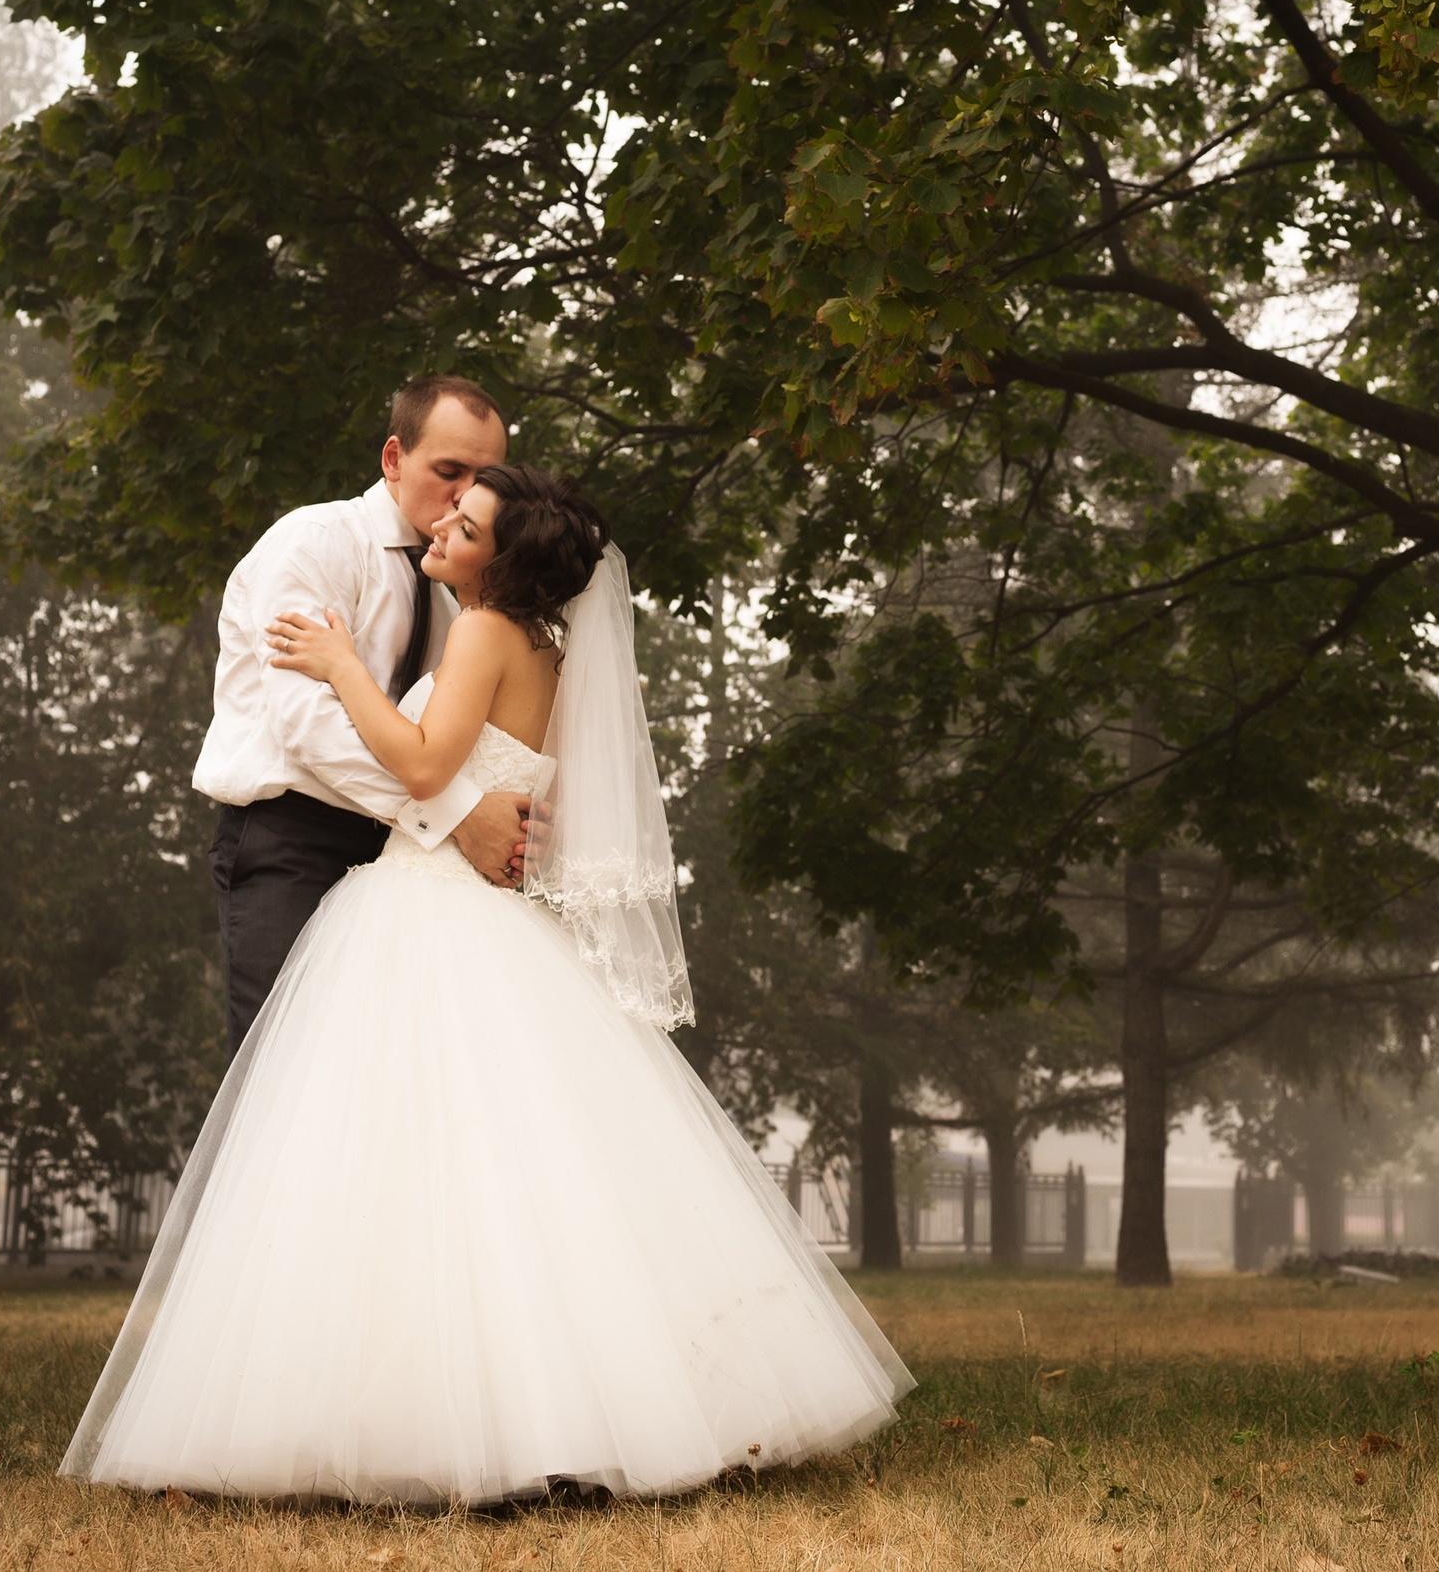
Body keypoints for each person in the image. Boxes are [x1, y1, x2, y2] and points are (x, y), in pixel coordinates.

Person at [61, 463, 913, 1505]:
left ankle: (459, 1422)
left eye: (465, 524)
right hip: (495, 914)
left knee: (414, 1167)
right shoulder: (549, 653)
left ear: (497, 561)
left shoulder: (480, 631)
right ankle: (570, 1412)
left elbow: (420, 767)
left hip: (427, 909)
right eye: (450, 509)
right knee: (518, 1175)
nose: (445, 524)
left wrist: (338, 665)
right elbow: (504, 787)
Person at [194, 376, 531, 1059]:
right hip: (293, 842)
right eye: (448, 471)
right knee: (282, 1081)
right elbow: (308, 730)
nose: (465, 495)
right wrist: (462, 817)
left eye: (482, 477)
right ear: (392, 458)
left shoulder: (461, 594)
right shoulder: (312, 544)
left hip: (407, 866)